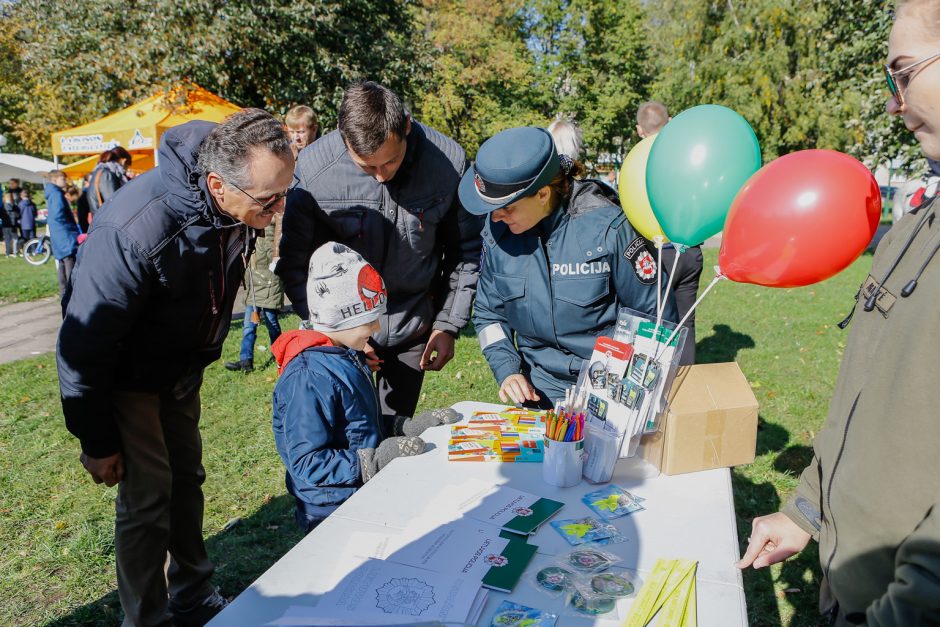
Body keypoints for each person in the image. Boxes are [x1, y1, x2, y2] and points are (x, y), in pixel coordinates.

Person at [737, 2, 940, 624]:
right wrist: (808, 510)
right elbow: (871, 399)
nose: (893, 102)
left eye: (903, 73)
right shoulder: (915, 225)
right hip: (849, 587)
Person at [56, 109, 294, 627]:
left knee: (186, 479)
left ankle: (192, 593)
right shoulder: (136, 227)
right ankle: (146, 618)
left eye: (284, 194)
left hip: (180, 371)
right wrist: (96, 441)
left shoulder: (234, 201)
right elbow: (84, 343)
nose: (278, 211)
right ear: (217, 185)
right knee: (147, 498)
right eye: (268, 200)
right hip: (129, 377)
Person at [278, 81, 481, 434]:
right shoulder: (313, 168)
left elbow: (466, 253)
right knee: (347, 443)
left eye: (391, 161)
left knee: (393, 438)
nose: (382, 176)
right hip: (339, 338)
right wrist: (335, 331)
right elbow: (295, 263)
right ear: (343, 137)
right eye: (367, 167)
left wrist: (448, 324)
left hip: (411, 328)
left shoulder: (448, 162)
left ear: (405, 125)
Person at [464, 126, 676, 406]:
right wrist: (507, 371)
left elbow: (656, 316)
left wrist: (625, 389)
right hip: (538, 392)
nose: (496, 216)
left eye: (508, 207)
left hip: (608, 391)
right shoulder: (498, 234)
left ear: (542, 194)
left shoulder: (608, 229)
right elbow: (489, 315)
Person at [271, 242, 428, 533]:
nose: (376, 329)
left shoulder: (346, 355)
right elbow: (308, 463)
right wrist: (374, 460)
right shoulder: (308, 378)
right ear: (341, 316)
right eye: (369, 320)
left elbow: (355, 425)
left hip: (356, 493)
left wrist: (404, 426)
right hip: (330, 509)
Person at [635, 100, 703, 365]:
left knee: (653, 323)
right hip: (689, 250)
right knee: (686, 322)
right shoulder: (688, 159)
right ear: (671, 121)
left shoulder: (637, 164)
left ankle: (651, 385)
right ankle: (686, 386)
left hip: (655, 254)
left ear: (640, 130)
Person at [223, 214, 285, 372]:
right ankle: (246, 361)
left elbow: (278, 236)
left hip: (269, 276)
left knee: (272, 322)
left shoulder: (275, 218)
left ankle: (281, 356)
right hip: (254, 278)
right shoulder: (252, 221)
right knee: (248, 325)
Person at [44, 171, 80, 298]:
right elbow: (58, 214)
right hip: (64, 232)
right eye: (62, 178)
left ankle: (64, 291)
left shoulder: (52, 193)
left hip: (59, 232)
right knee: (69, 259)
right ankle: (71, 290)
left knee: (62, 261)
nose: (65, 181)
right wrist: (70, 227)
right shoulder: (56, 194)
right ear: (54, 180)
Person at [87, 146, 133, 216]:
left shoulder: (99, 172)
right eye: (127, 167)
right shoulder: (106, 175)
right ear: (124, 161)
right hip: (108, 222)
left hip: (102, 220)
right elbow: (113, 205)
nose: (126, 171)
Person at [1, 191, 15, 256]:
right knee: (14, 238)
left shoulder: (3, 207)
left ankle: (8, 252)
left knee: (7, 239)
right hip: (13, 224)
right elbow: (17, 215)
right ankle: (14, 251)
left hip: (5, 224)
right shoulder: (14, 206)